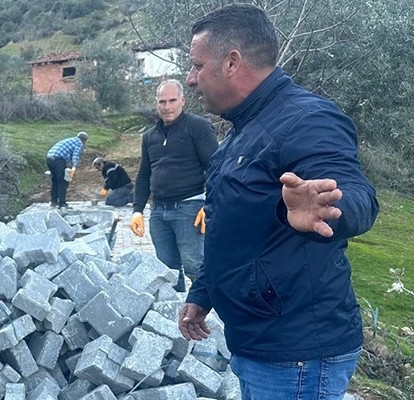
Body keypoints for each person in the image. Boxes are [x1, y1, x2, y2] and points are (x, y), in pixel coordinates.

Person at [178, 4, 379, 399]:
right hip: (261, 342)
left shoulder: (306, 119)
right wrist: (204, 293)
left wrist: (325, 211)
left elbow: (359, 197)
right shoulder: (245, 128)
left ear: (232, 62)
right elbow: (231, 228)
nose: (190, 79)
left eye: (197, 66)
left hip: (297, 355)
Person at [130, 79, 219, 292]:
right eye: (162, 102)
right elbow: (144, 174)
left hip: (189, 209)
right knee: (167, 271)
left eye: (172, 101)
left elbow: (216, 167)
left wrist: (210, 203)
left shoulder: (197, 127)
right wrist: (137, 210)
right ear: (156, 103)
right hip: (158, 212)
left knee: (195, 265)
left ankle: (206, 310)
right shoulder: (150, 136)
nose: (167, 106)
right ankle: (174, 309)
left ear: (182, 101)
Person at [46, 131, 88, 208]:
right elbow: (75, 155)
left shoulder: (70, 140)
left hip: (49, 158)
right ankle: (62, 203)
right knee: (63, 181)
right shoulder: (79, 143)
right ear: (84, 140)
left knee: (55, 181)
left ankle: (54, 201)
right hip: (58, 160)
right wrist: (74, 166)